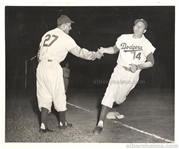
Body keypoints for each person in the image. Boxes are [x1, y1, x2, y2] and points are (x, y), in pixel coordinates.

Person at [36, 15, 103, 133]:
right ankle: (62, 123)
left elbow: (38, 53)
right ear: (63, 25)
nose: (70, 28)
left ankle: (43, 125)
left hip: (41, 66)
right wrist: (94, 55)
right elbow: (79, 52)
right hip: (53, 66)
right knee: (59, 94)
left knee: (44, 95)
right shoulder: (64, 37)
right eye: (69, 25)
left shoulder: (46, 34)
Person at [93, 19, 156, 135]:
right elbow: (115, 49)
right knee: (109, 94)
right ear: (133, 27)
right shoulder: (123, 38)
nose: (137, 28)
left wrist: (138, 66)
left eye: (141, 27)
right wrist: (104, 50)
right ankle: (100, 123)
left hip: (132, 75)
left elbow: (151, 62)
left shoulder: (146, 44)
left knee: (119, 99)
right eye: (136, 26)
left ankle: (112, 108)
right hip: (119, 70)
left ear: (144, 30)